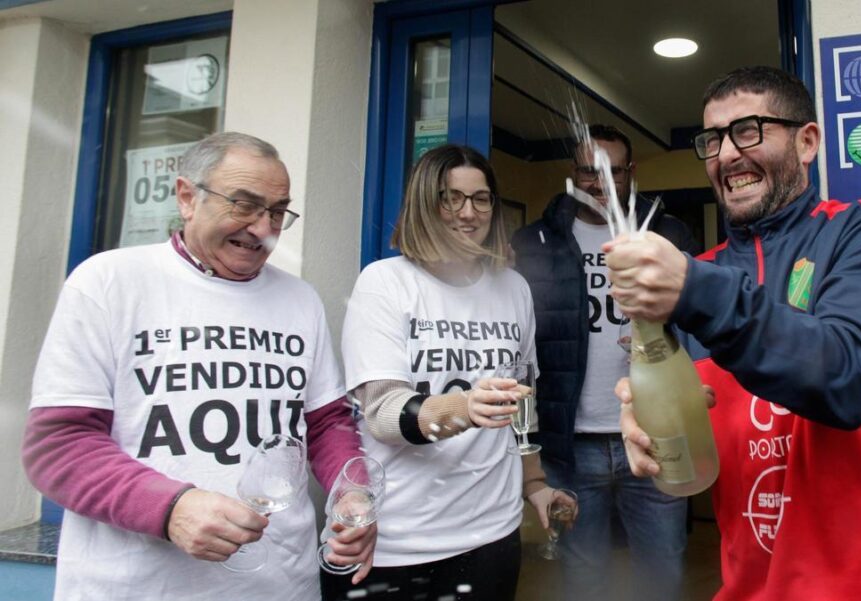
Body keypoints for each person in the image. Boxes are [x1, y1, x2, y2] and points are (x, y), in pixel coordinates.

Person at [609, 66, 861, 600]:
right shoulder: (698, 280)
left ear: (807, 142)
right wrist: (641, 415)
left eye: (749, 130)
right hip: (757, 587)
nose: (727, 154)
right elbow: (692, 415)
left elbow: (848, 378)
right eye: (712, 140)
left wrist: (693, 290)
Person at [22, 132, 375, 601]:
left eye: (276, 212)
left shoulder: (300, 300)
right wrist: (171, 508)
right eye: (244, 205)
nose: (261, 227)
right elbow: (58, 446)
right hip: (136, 587)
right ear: (187, 197)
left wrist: (351, 491)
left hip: (282, 587)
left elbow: (326, 422)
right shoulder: (108, 282)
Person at [327, 144, 574, 601]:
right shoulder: (385, 282)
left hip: (491, 531)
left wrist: (534, 482)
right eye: (450, 198)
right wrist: (465, 407)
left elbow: (524, 405)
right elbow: (382, 414)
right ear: (425, 203)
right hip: (402, 538)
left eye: (481, 199)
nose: (468, 212)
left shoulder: (513, 288)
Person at [510, 124, 700, 599]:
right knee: (583, 574)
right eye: (587, 173)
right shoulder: (534, 243)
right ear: (572, 175)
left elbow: (699, 327)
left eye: (612, 172)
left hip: (655, 437)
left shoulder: (666, 236)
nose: (600, 184)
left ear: (631, 173)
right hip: (571, 447)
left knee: (662, 569)